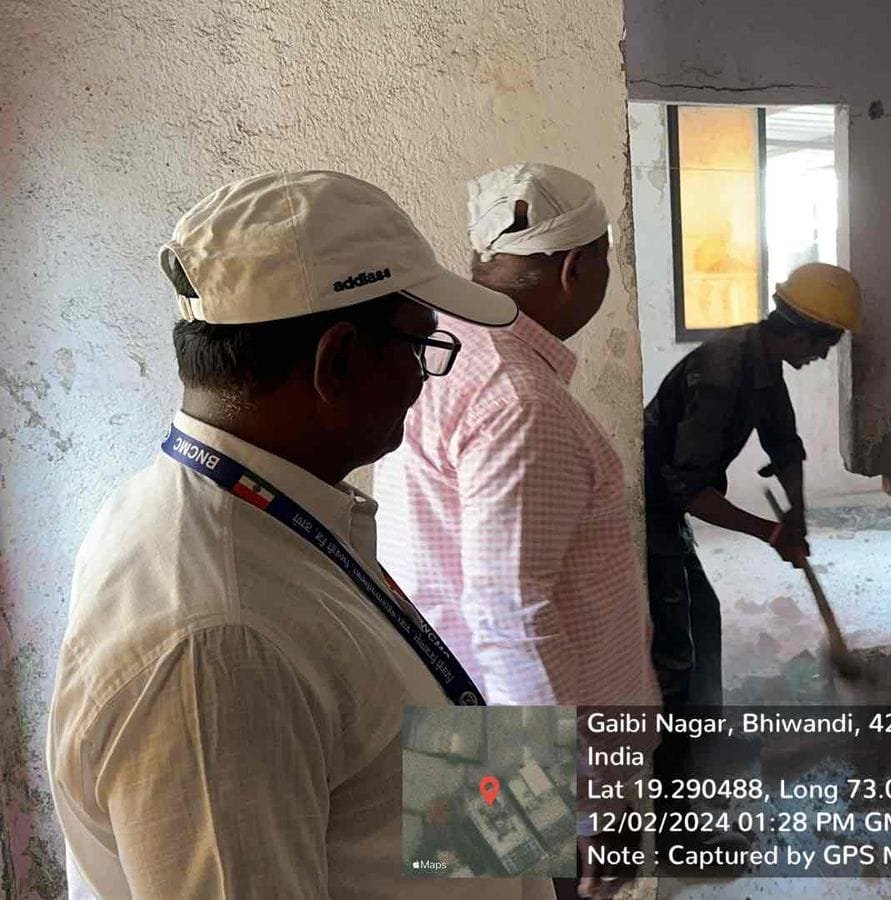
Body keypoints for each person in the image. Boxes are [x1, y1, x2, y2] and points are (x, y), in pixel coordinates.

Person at [44, 170, 558, 899]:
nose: (421, 379)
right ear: (338, 361)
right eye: (417, 348)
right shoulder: (219, 644)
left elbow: (372, 785)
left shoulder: (260, 515)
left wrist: (541, 841)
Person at [372, 162, 656, 898]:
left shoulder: (445, 349)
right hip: (528, 765)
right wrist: (582, 805)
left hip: (466, 723)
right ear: (575, 267)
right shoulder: (516, 397)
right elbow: (509, 614)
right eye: (606, 261)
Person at [640, 263, 860, 834]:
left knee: (703, 617)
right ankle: (674, 820)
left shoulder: (761, 362)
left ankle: (703, 745)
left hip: (667, 506)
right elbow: (687, 491)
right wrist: (770, 533)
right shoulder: (724, 372)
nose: (823, 356)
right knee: (676, 658)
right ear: (803, 334)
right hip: (646, 512)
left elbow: (784, 444)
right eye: (826, 345)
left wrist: (798, 517)